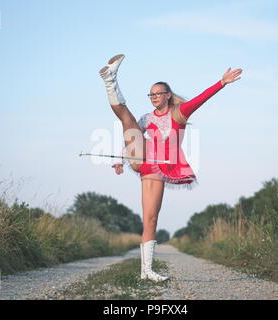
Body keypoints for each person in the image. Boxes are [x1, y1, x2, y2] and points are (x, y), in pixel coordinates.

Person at [99, 54, 242, 282]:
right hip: (143, 161)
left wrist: (221, 83)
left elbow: (200, 99)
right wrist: (120, 158)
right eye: (151, 94)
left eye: (158, 93)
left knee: (150, 219)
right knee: (127, 119)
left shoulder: (179, 113)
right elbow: (132, 138)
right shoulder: (146, 118)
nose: (154, 97)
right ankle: (110, 80)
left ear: (167, 95)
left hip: (157, 169)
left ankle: (146, 271)